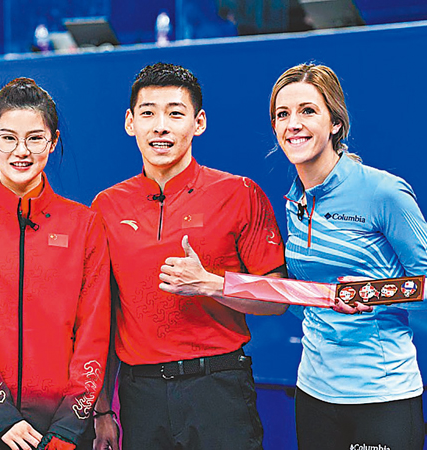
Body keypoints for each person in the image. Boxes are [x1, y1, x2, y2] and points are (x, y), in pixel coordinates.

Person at [91, 62, 287, 450]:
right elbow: (105, 317)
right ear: (130, 122)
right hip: (140, 395)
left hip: (218, 388)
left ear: (199, 123)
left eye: (175, 114)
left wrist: (210, 284)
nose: (160, 127)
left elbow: (278, 297)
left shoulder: (239, 193)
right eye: (148, 113)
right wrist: (101, 410)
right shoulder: (106, 206)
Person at [269, 63, 427, 450]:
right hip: (313, 393)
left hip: (382, 396)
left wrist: (376, 292)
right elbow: (308, 293)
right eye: (282, 114)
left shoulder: (384, 192)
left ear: (335, 122)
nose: (293, 124)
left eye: (307, 111)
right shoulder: (294, 200)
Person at [0, 78, 110, 450]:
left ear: (53, 141)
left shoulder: (85, 224)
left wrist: (70, 426)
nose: (21, 151)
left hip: (63, 429)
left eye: (35, 138)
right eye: (8, 138)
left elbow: (94, 332)